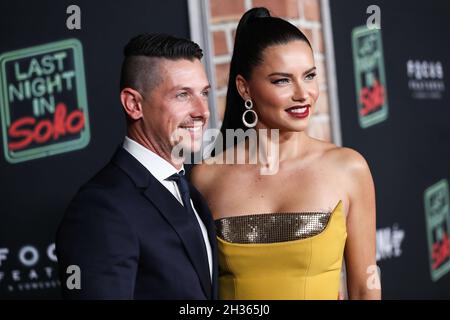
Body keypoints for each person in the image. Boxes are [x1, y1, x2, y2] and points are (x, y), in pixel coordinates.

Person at [191, 8, 381, 300]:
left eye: (309, 76)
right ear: (244, 88)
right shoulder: (207, 176)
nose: (302, 94)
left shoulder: (348, 168)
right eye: (282, 80)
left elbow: (364, 288)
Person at [56, 33, 218, 299]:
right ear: (134, 104)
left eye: (204, 93)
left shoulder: (191, 193)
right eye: (182, 95)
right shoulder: (100, 208)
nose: (203, 110)